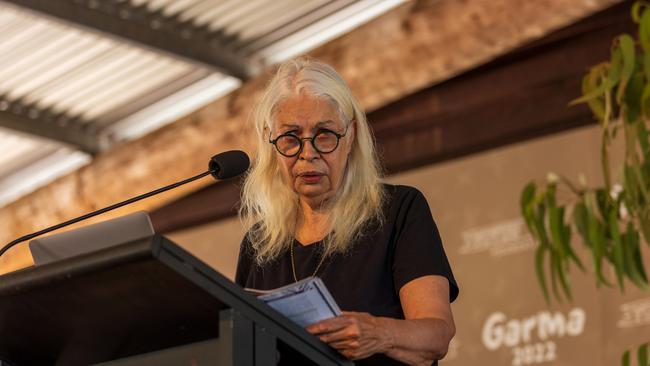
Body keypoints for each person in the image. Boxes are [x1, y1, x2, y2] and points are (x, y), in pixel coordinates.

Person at [235, 57, 459, 366]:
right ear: (272, 144)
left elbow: (437, 336)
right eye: (290, 138)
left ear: (350, 135)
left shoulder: (399, 211)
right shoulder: (258, 244)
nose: (308, 153)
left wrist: (378, 332)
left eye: (324, 134)